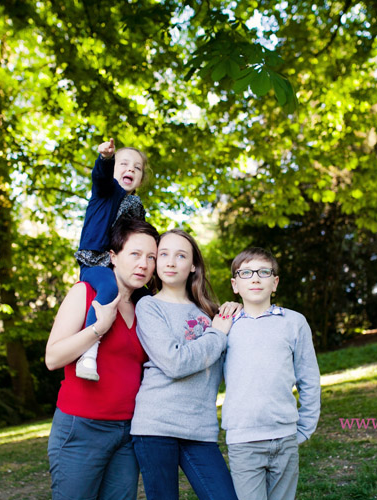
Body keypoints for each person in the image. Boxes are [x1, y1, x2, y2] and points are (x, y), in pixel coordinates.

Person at [45, 217, 159, 500]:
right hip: (81, 428)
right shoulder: (85, 293)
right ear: (113, 256)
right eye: (134, 254)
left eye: (151, 257)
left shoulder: (146, 308)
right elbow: (53, 357)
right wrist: (98, 328)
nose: (143, 264)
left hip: (128, 432)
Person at [131, 229, 240, 500]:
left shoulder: (210, 312)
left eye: (180, 256)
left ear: (192, 266)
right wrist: (218, 334)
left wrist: (239, 312)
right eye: (163, 254)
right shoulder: (148, 307)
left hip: (200, 428)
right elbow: (175, 362)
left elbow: (231, 365)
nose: (170, 262)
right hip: (156, 426)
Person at [222, 247, 321, 500]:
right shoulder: (224, 325)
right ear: (235, 285)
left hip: (285, 436)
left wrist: (306, 426)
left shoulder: (294, 322)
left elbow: (308, 377)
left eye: (264, 272)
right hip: (243, 439)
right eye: (246, 273)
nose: (255, 278)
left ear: (274, 282)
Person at [74, 137, 149, 381]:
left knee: (146, 297)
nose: (131, 169)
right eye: (124, 164)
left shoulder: (135, 205)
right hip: (95, 261)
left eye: (137, 168)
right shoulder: (106, 192)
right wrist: (105, 159)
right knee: (108, 286)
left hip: (119, 264)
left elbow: (140, 238)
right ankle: (88, 351)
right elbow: (101, 177)